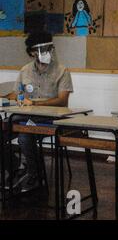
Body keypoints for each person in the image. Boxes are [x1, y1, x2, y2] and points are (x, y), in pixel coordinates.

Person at [9, 31, 74, 192]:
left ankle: (35, 175)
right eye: (43, 49)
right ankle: (14, 167)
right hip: (26, 116)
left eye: (50, 48)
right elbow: (16, 94)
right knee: (3, 129)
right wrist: (15, 99)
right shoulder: (25, 70)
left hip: (51, 119)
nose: (48, 52)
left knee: (25, 136)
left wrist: (35, 103)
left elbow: (62, 101)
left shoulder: (61, 70)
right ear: (32, 52)